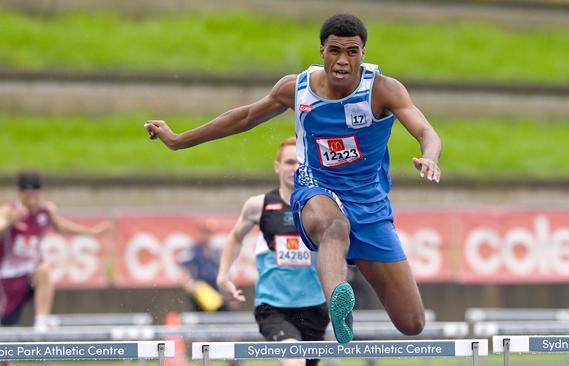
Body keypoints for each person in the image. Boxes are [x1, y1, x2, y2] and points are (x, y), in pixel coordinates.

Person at [145, 13, 442, 344]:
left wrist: (430, 155)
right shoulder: (296, 89)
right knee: (334, 227)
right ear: (321, 51)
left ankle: (344, 293)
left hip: (369, 205)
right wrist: (178, 139)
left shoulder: (383, 91)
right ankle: (338, 304)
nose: (342, 61)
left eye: (352, 52)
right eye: (334, 51)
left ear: (363, 53)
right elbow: (243, 117)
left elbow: (426, 130)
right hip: (316, 192)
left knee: (412, 322)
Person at [217, 137, 328, 366]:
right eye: (289, 162)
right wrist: (223, 276)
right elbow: (235, 237)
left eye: (300, 162)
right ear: (277, 166)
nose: (295, 168)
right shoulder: (260, 205)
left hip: (314, 306)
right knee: (293, 360)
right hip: (273, 307)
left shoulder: (325, 206)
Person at [0, 171, 111, 330]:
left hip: (31, 275)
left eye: (35, 196)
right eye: (27, 197)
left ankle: (41, 321)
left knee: (44, 270)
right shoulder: (8, 211)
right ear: (20, 194)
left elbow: (62, 226)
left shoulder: (45, 211)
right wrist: (11, 221)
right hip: (8, 278)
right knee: (7, 325)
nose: (31, 202)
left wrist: (91, 232)